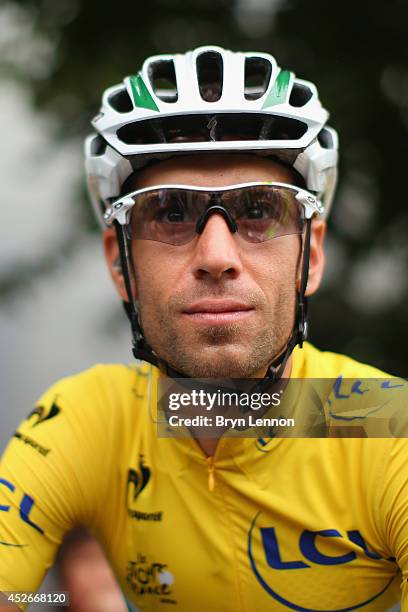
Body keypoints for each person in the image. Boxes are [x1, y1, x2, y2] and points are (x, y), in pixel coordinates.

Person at [0, 45, 407, 612]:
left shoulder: (390, 432)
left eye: (260, 210)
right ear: (121, 265)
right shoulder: (88, 421)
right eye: (169, 212)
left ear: (310, 256)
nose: (217, 255)